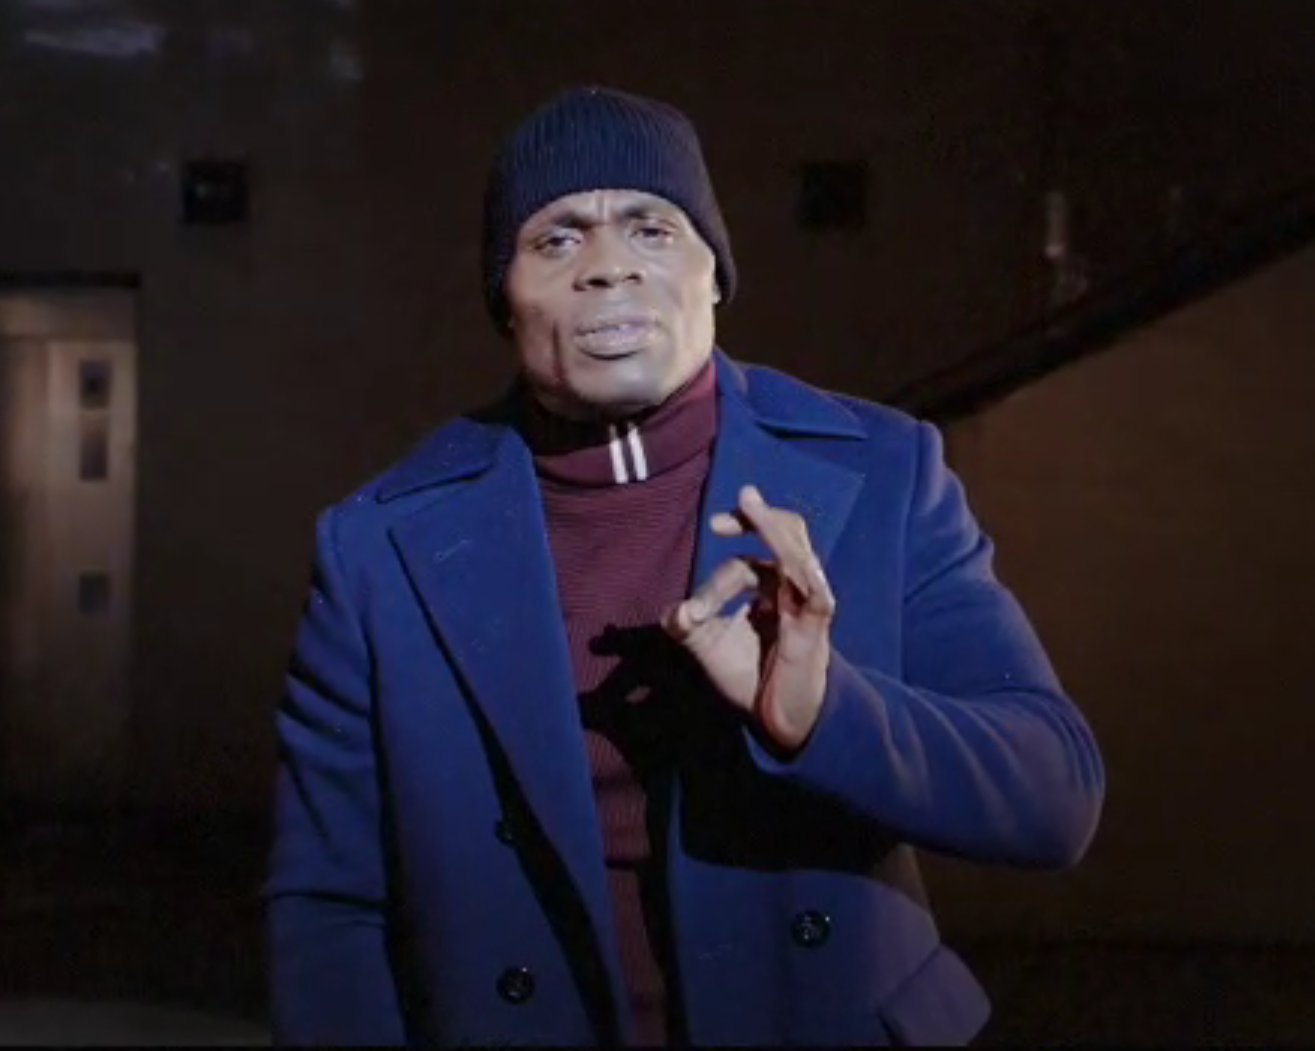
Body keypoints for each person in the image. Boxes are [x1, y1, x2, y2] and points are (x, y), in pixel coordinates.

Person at [264, 86, 1105, 1047]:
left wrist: (824, 713)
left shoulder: (880, 471)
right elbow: (328, 902)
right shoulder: (381, 546)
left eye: (651, 228)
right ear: (505, 299)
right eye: (556, 239)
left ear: (714, 274)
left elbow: (1054, 799)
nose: (607, 266)